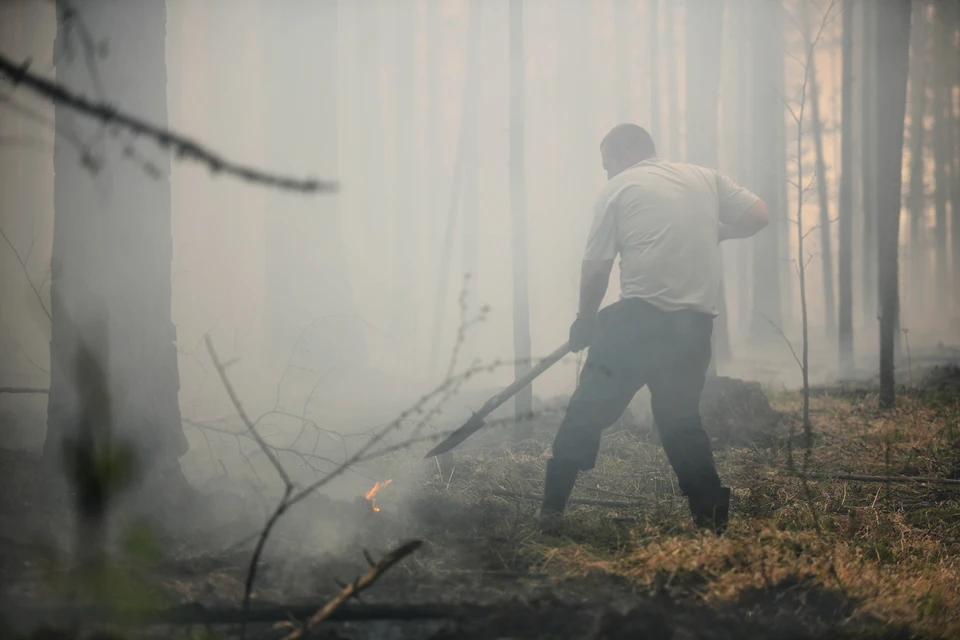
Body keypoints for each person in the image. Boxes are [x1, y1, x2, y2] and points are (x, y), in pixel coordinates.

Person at [540, 123, 769, 534]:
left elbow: (596, 267)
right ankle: (710, 520)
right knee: (680, 419)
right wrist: (719, 231)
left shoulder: (618, 188)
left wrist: (586, 319)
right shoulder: (705, 177)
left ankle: (550, 513)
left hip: (639, 325)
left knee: (587, 409)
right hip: (695, 326)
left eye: (608, 162)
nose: (607, 171)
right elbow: (758, 215)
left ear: (627, 154)